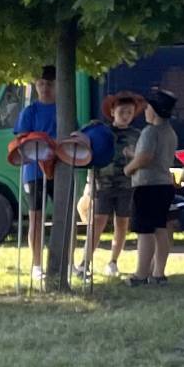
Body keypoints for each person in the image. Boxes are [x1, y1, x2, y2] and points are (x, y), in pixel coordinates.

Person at [79, 88, 143, 281]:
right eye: (122, 112)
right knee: (97, 222)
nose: (125, 116)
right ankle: (85, 262)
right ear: (113, 111)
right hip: (103, 184)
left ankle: (113, 261)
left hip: (127, 186)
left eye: (129, 112)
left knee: (122, 223)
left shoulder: (137, 135)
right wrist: (89, 183)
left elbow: (143, 158)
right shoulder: (102, 132)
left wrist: (134, 156)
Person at [125, 86, 179, 286]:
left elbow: (146, 158)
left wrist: (129, 167)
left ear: (155, 110)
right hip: (164, 185)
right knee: (160, 228)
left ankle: (140, 274)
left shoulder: (150, 131)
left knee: (145, 231)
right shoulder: (170, 133)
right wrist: (134, 154)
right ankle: (158, 273)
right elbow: (155, 156)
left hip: (147, 186)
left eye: (147, 107)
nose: (145, 111)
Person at [13, 67, 59, 285]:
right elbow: (21, 139)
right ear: (35, 85)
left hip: (59, 169)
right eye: (41, 83)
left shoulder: (63, 110)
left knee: (64, 217)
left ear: (57, 85)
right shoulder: (29, 112)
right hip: (33, 171)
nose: (45, 88)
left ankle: (63, 262)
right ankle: (37, 265)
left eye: (49, 84)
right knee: (36, 218)